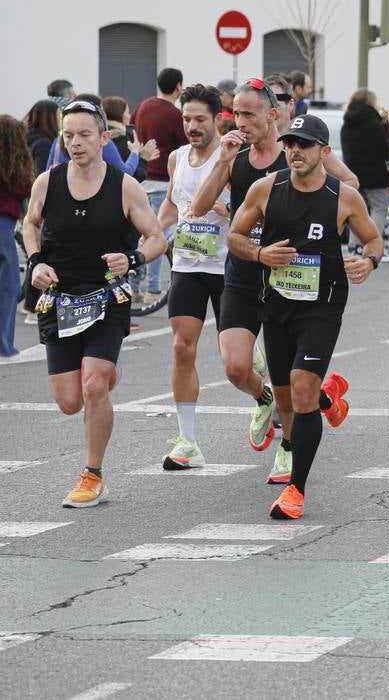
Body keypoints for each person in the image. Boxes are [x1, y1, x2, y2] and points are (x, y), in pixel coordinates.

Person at [191, 78, 354, 484]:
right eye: (236, 114)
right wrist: (224, 162)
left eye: (248, 114)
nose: (240, 122)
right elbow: (197, 207)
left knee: (293, 378)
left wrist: (311, 216)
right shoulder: (237, 156)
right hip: (247, 272)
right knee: (234, 366)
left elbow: (348, 188)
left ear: (272, 114)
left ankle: (288, 447)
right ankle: (269, 397)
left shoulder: (298, 152)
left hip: (294, 280)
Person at [228, 114, 379, 519]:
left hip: (323, 307)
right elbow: (234, 236)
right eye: (290, 143)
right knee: (289, 402)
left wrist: (370, 262)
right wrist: (260, 254)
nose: (294, 150)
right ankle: (327, 397)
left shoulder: (343, 197)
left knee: (301, 386)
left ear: (324, 152)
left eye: (305, 144)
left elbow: (374, 239)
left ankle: (296, 489)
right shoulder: (265, 189)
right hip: (276, 305)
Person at [22, 98, 167, 507]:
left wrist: (133, 259)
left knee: (93, 385)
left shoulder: (125, 186)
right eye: (68, 135)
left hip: (106, 297)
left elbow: (156, 237)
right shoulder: (47, 182)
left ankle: (93, 474)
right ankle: (100, 378)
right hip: (59, 299)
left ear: (105, 137)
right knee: (70, 402)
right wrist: (35, 262)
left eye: (85, 134)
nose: (75, 142)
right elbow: (31, 224)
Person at [155, 84, 230, 469]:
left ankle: (268, 397)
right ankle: (188, 442)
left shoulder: (232, 157)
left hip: (227, 266)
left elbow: (257, 210)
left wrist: (225, 210)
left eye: (200, 119)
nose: (192, 126)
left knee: (237, 362)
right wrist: (150, 231)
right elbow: (173, 205)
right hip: (187, 264)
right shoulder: (178, 158)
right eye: (186, 118)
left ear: (217, 118)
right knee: (182, 348)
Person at [130, 67, 188, 305]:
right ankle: (154, 288)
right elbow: (184, 145)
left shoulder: (143, 105)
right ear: (178, 87)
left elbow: (131, 128)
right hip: (164, 179)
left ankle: (134, 287)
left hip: (142, 180)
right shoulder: (175, 115)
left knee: (140, 235)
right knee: (158, 236)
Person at [340, 88, 389, 257]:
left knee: (357, 211)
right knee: (379, 208)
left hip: (353, 173)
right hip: (375, 174)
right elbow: (385, 149)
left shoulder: (346, 123)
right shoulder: (374, 123)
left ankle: (354, 246)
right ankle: (373, 245)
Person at [0, 115, 34, 357]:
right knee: (8, 286)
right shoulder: (11, 164)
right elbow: (25, 188)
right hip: (3, 227)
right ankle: (3, 345)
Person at [100, 97, 151, 182]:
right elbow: (131, 176)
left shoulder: (98, 135)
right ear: (120, 115)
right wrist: (143, 159)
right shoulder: (123, 139)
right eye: (127, 112)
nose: (129, 116)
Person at [24, 100, 59, 174]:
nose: (61, 120)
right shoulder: (44, 145)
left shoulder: (24, 138)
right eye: (58, 116)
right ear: (51, 119)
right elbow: (43, 175)